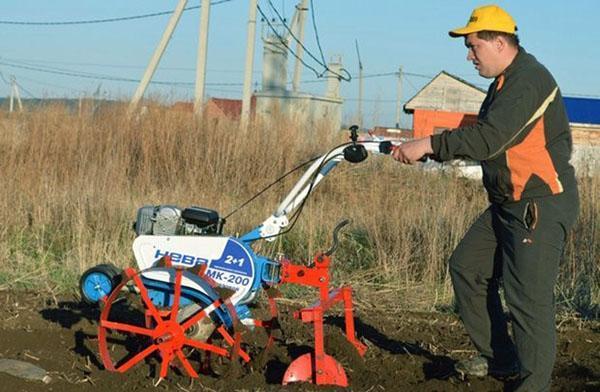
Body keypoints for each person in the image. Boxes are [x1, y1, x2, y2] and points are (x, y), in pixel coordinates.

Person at [393, 4, 579, 391]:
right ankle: (503, 360)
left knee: (528, 303)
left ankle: (532, 385)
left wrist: (428, 143)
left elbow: (487, 140)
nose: (469, 55)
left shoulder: (529, 81)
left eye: (474, 46)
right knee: (467, 266)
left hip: (537, 205)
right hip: (507, 204)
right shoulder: (502, 86)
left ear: (498, 42)